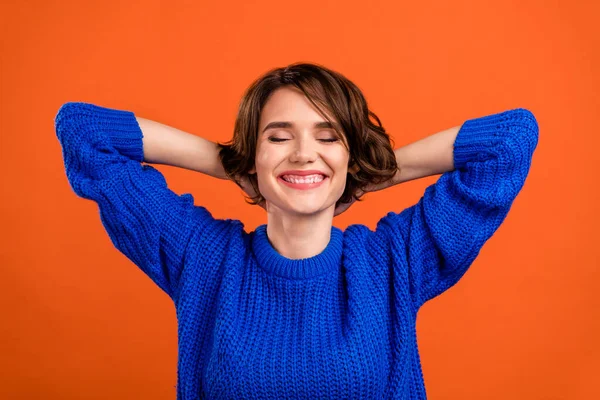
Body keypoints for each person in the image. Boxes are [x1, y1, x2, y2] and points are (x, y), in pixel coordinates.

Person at [54, 62, 539, 399]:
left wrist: (365, 170)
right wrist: (232, 163)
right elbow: (83, 130)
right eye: (279, 137)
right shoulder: (202, 258)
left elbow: (512, 139)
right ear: (255, 153)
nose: (304, 153)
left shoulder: (394, 262)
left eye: (328, 137)